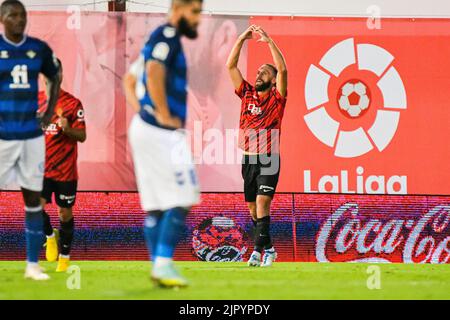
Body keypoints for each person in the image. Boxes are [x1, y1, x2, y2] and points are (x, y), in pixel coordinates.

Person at [124, 0, 202, 288]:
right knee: (185, 196)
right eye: (194, 12)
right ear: (179, 9)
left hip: (145, 128)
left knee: (156, 205)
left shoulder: (154, 39)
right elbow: (155, 71)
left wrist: (143, 111)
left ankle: (159, 267)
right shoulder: (167, 36)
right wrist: (164, 115)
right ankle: (163, 264)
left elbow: (129, 81)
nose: (197, 19)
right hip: (162, 132)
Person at [0, 0, 60, 280]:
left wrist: (48, 111)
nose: (19, 20)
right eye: (13, 15)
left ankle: (32, 265)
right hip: (3, 137)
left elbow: (54, 75)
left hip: (31, 137)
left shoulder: (39, 48)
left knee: (33, 200)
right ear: (2, 19)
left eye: (22, 15)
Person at [226, 25, 288, 267]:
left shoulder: (277, 98)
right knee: (253, 209)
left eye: (265, 72)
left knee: (263, 203)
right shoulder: (246, 93)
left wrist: (269, 40)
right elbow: (230, 66)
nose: (259, 73)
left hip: (269, 157)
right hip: (249, 159)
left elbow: (282, 69)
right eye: (259, 71)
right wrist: (241, 38)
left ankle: (255, 251)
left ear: (273, 81)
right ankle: (269, 249)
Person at [38, 60, 87, 272]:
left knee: (64, 214)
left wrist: (67, 129)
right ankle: (49, 237)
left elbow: (82, 136)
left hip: (65, 172)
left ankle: (64, 257)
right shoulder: (36, 102)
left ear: (61, 77)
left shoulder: (73, 104)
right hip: (41, 169)